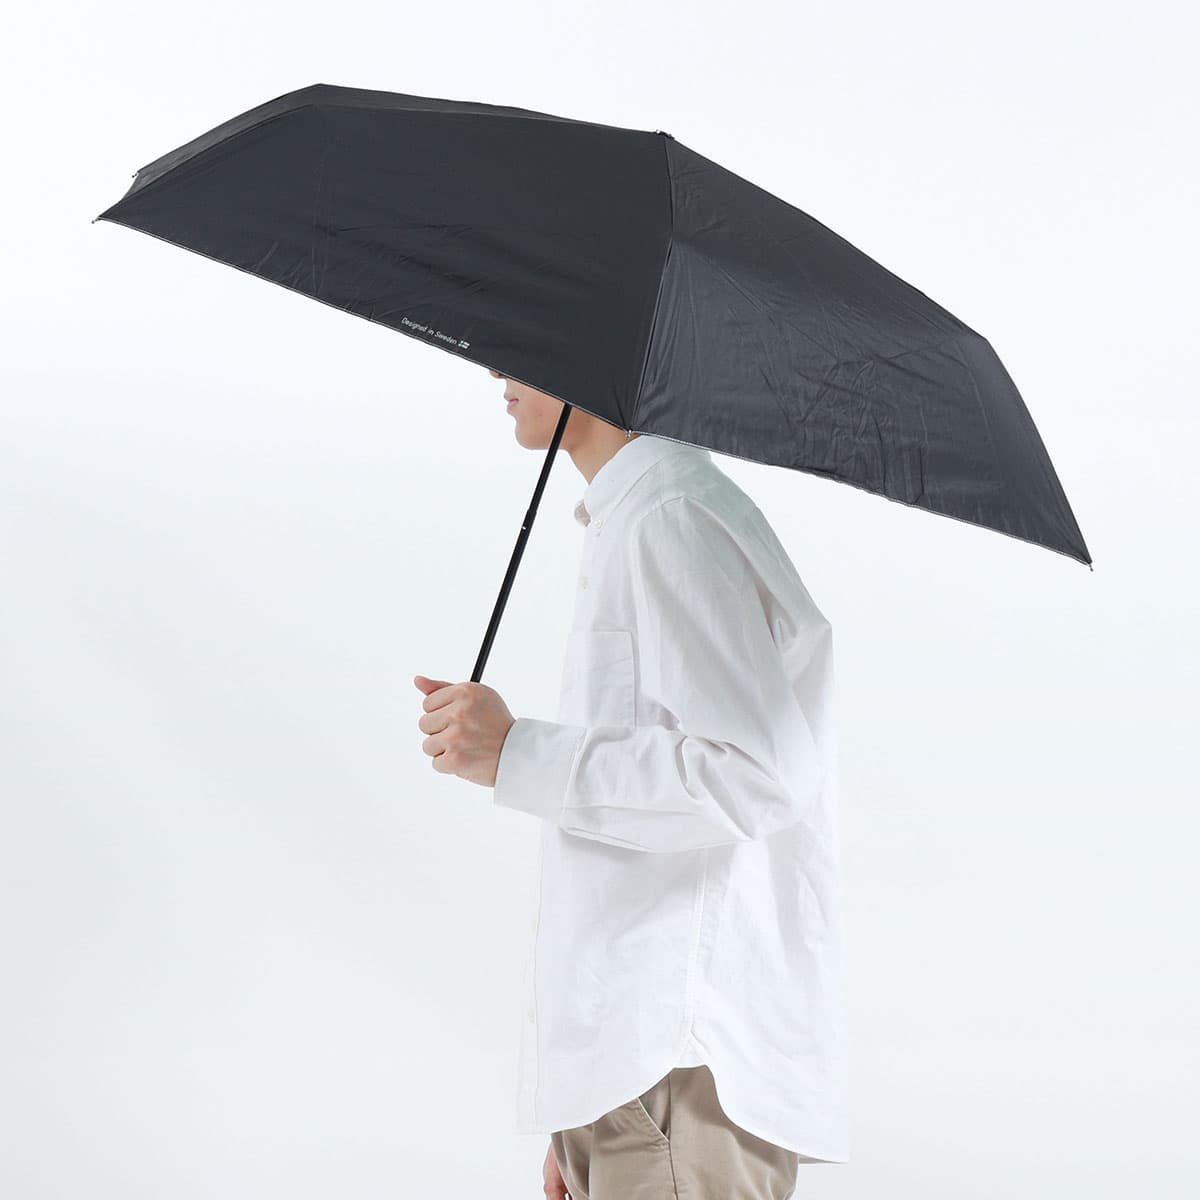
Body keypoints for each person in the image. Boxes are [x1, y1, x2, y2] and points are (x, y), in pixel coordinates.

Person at [414, 369, 846, 1198]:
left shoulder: (670, 518)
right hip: (641, 1087)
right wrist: (583, 1107)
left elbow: (758, 774)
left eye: (525, 343)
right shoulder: (641, 515)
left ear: (591, 358)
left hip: (677, 1079)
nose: (497, 370)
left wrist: (515, 752)